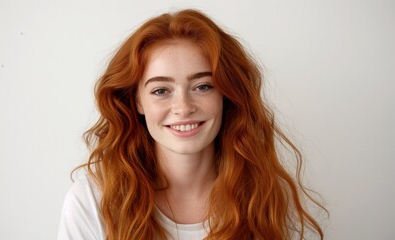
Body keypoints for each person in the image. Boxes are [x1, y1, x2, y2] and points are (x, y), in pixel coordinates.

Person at [58, 9, 326, 240]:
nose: (184, 107)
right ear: (137, 101)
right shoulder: (92, 201)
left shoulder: (267, 196)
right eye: (161, 91)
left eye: (202, 86)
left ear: (226, 95)